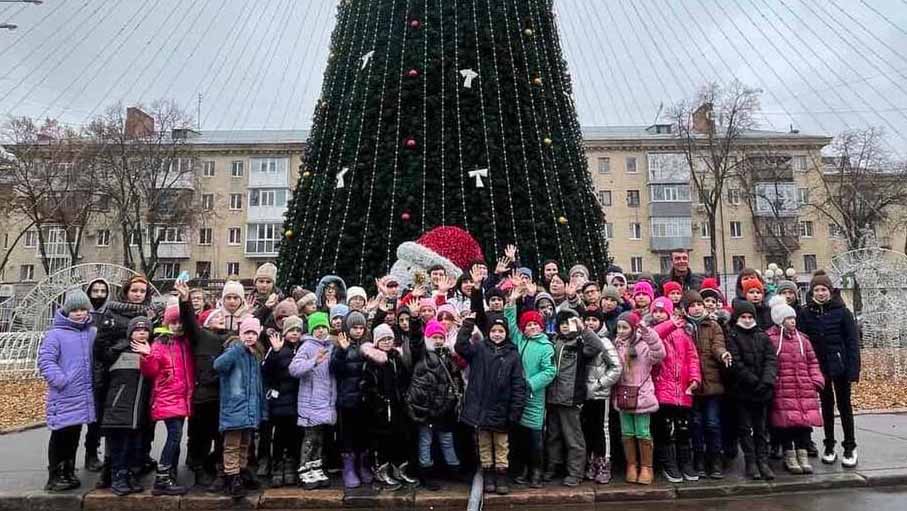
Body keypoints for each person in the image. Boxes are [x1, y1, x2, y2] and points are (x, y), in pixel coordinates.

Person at [455, 313, 527, 495]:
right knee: (484, 443)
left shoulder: (513, 355)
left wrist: (515, 412)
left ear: (506, 333)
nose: (497, 334)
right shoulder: (479, 349)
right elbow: (460, 346)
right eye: (493, 331)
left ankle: (501, 474)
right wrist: (467, 325)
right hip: (481, 408)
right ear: (488, 332)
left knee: (502, 445)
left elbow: (518, 385)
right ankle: (487, 473)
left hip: (502, 408)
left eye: (501, 331)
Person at [93, 275, 153, 489]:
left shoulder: (150, 313)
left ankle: (133, 469)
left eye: (142, 291)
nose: (138, 295)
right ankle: (111, 471)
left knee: (139, 427)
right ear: (126, 291)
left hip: (141, 378)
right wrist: (122, 348)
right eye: (134, 290)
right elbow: (100, 348)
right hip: (117, 378)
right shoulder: (112, 312)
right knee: (116, 427)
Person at [797, 270, 860, 468]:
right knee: (826, 407)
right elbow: (803, 342)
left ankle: (849, 446)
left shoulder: (843, 312)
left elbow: (852, 342)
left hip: (840, 366)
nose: (821, 293)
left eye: (824, 289)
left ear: (830, 291)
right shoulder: (806, 313)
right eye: (817, 289)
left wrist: (853, 370)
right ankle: (829, 445)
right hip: (819, 368)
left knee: (844, 406)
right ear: (812, 292)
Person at [38, 289, 97, 492]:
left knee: (74, 435)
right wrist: (61, 381)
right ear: (66, 311)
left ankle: (68, 471)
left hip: (84, 396)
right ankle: (55, 475)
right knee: (60, 435)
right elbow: (46, 361)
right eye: (75, 310)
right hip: (64, 394)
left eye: (83, 309)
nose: (80, 314)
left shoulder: (91, 333)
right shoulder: (55, 334)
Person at [175, 281, 229, 490]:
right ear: (206, 322)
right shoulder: (201, 336)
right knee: (201, 434)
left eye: (222, 316)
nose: (221, 318)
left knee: (220, 434)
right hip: (204, 395)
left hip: (223, 395)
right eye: (217, 316)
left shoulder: (229, 338)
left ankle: (215, 466)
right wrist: (185, 300)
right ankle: (198, 468)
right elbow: (189, 321)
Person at [136, 304, 193, 496]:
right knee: (175, 436)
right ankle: (163, 477)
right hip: (168, 397)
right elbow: (150, 371)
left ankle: (169, 475)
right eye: (173, 322)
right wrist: (146, 356)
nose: (177, 326)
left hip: (183, 397)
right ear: (167, 323)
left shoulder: (185, 343)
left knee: (176, 437)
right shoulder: (160, 343)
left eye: (180, 322)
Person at [544, 311, 605, 487]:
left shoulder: (580, 343)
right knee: (553, 436)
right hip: (552, 397)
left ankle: (575, 472)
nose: (565, 326)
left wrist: (583, 329)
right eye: (562, 323)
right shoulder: (553, 341)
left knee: (573, 438)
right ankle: (553, 467)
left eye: (568, 323)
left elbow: (597, 346)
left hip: (570, 398)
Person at [505, 286, 556, 489]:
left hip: (534, 396)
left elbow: (550, 371)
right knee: (520, 436)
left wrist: (531, 383)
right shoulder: (520, 340)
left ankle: (536, 470)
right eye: (529, 325)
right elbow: (510, 324)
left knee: (535, 437)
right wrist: (512, 303)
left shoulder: (546, 346)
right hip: (518, 396)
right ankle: (522, 469)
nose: (532, 327)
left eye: (536, 324)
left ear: (541, 327)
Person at [766, 296, 824, 475]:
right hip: (783, 388)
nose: (793, 321)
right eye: (788, 319)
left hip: (803, 387)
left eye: (793, 318)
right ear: (779, 320)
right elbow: (768, 362)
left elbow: (812, 361)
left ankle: (803, 453)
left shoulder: (803, 339)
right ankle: (789, 454)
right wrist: (772, 380)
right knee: (786, 423)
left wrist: (816, 379)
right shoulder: (771, 339)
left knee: (803, 424)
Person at [406, 318, 463, 491]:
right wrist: (415, 321)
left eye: (440, 337)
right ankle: (426, 473)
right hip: (425, 408)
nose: (438, 340)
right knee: (426, 440)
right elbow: (415, 341)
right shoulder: (422, 354)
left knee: (447, 439)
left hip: (444, 407)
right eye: (434, 337)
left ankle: (454, 469)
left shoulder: (447, 356)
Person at [213, 317, 267, 498]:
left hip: (250, 409)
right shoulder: (234, 350)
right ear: (240, 334)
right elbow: (219, 365)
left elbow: (257, 384)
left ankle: (242, 471)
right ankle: (232, 475)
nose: (250, 336)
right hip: (234, 407)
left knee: (245, 443)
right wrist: (237, 349)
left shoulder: (256, 354)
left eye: (253, 333)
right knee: (232, 445)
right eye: (246, 333)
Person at [360, 324, 418, 491]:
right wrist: (377, 403)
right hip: (380, 408)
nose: (386, 342)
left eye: (389, 339)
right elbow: (367, 386)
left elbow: (403, 380)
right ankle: (381, 471)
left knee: (399, 438)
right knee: (381, 441)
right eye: (383, 339)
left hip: (397, 405)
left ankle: (399, 468)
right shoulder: (371, 360)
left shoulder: (396, 357)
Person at [725, 301, 778, 480]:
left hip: (762, 392)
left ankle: (763, 461)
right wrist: (753, 380)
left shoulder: (762, 336)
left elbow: (771, 359)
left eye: (750, 317)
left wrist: (766, 381)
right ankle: (751, 461)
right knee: (745, 428)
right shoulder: (732, 336)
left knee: (761, 428)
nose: (747, 320)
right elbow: (736, 363)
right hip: (742, 390)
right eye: (743, 317)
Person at [651, 299, 702, 483]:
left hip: (682, 390)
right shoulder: (653, 332)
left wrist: (695, 378)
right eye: (655, 311)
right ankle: (669, 464)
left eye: (661, 311)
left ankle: (685, 463)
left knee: (683, 429)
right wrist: (670, 324)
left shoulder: (683, 334)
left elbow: (692, 357)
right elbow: (653, 336)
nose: (657, 315)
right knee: (664, 429)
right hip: (661, 389)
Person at [102, 316, 153, 496]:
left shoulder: (150, 351)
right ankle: (118, 476)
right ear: (130, 332)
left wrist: (149, 354)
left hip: (138, 410)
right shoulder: (119, 351)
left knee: (135, 445)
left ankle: (129, 474)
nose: (141, 333)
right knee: (119, 447)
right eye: (138, 330)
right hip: (119, 408)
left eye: (145, 330)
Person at [611, 312, 664, 486]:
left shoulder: (643, 345)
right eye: (619, 327)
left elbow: (659, 353)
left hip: (642, 394)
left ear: (633, 328)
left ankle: (646, 467)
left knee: (643, 432)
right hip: (623, 394)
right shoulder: (616, 344)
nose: (621, 331)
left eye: (625, 327)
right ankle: (631, 465)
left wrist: (648, 333)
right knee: (627, 432)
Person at [684, 291, 731, 480]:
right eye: (692, 305)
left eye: (699, 304)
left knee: (712, 423)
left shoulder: (713, 325)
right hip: (691, 384)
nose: (696, 308)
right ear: (686, 309)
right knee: (695, 424)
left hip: (712, 381)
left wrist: (723, 354)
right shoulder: (683, 328)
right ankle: (699, 459)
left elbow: (717, 346)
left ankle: (715, 459)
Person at [289, 312, 337, 491]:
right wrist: (313, 361)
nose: (321, 331)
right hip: (310, 402)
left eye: (323, 327)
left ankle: (316, 467)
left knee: (320, 438)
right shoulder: (307, 346)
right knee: (309, 437)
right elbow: (294, 368)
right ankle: (304, 468)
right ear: (311, 330)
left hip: (326, 400)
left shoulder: (331, 346)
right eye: (317, 328)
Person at [330, 311, 374, 489]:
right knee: (347, 435)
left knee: (364, 434)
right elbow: (334, 368)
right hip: (347, 398)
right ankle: (348, 468)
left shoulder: (368, 345)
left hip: (365, 398)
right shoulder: (340, 345)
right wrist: (342, 350)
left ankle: (363, 464)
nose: (358, 331)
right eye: (354, 327)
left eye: (361, 328)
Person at [261, 315, 304, 487]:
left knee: (294, 435)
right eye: (291, 330)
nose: (294, 334)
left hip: (297, 400)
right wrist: (276, 353)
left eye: (297, 330)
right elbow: (265, 370)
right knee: (278, 435)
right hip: (279, 401)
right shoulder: (277, 347)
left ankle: (290, 464)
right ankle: (277, 465)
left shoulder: (302, 348)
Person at [580, 310, 622, 484]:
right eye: (587, 319)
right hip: (583, 395)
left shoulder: (605, 342)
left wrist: (599, 384)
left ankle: (604, 463)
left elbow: (616, 367)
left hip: (599, 393)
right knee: (587, 430)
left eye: (594, 319)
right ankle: (591, 462)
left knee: (602, 429)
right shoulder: (581, 340)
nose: (590, 323)